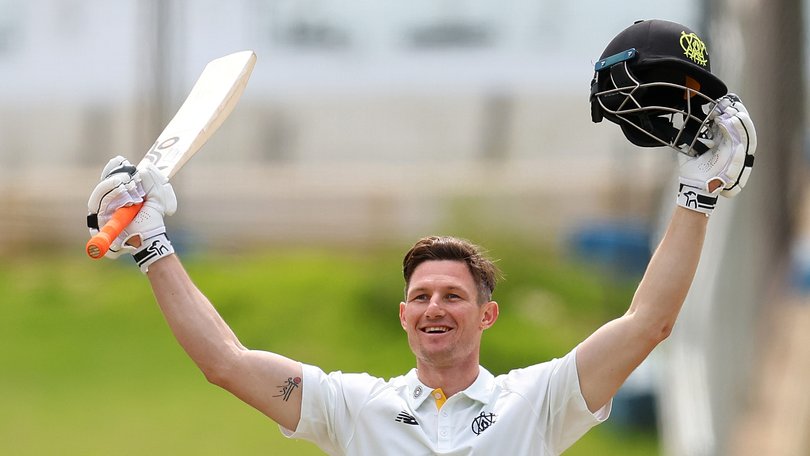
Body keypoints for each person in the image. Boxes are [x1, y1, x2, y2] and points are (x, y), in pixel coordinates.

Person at [86, 19, 757, 455]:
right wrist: (152, 245)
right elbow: (225, 363)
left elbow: (649, 322)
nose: (435, 305)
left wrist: (696, 195)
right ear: (404, 315)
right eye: (423, 295)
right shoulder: (353, 408)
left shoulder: (538, 402)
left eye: (453, 296)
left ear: (487, 314)